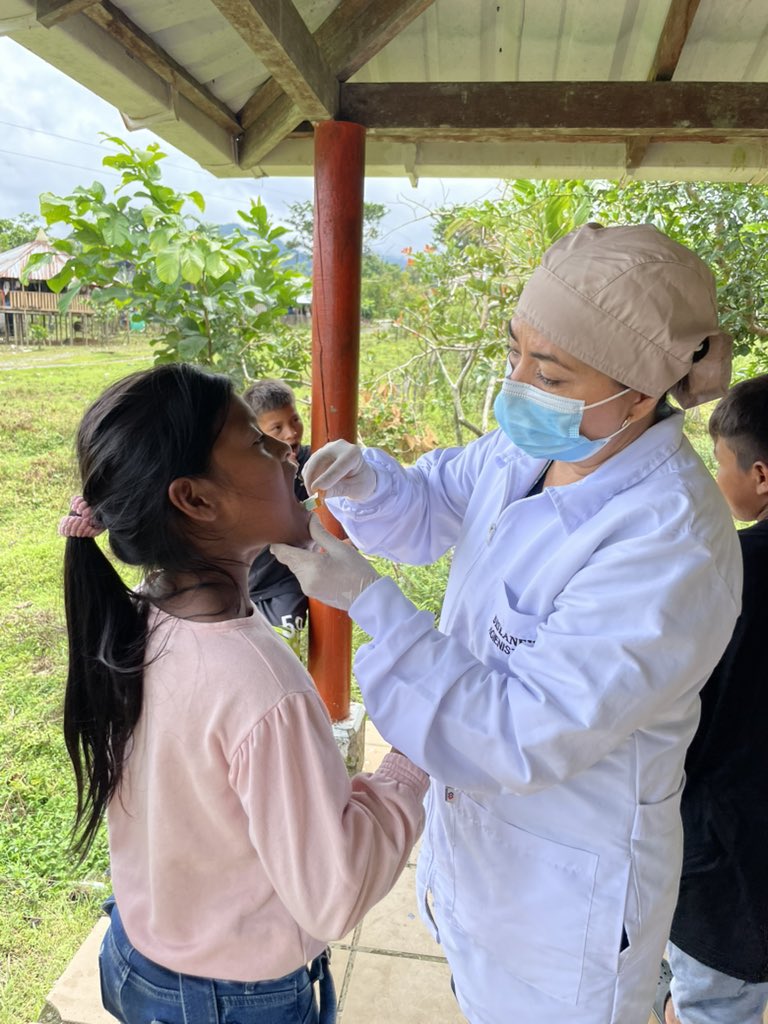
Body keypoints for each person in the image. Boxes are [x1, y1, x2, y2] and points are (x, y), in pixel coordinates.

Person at [271, 223, 743, 1024]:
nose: (515, 381)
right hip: (480, 862)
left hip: (567, 902)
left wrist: (372, 603)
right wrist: (364, 481)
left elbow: (522, 733)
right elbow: (432, 503)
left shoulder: (673, 541)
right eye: (517, 350)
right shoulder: (523, 452)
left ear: (636, 391)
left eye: (548, 370)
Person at [58, 362, 428, 1024]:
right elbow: (332, 894)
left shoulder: (139, 612)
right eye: (258, 442)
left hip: (140, 957)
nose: (289, 448)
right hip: (234, 997)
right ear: (196, 500)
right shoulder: (259, 688)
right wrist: (409, 766)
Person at [660, 374, 768, 1024]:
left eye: (720, 461)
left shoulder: (736, 571)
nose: (714, 474)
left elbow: (685, 708)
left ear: (761, 475)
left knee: (712, 1004)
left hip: (727, 846)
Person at [244, 379, 311, 637]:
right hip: (244, 580)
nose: (291, 433)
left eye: (294, 420)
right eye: (277, 427)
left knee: (288, 641)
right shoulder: (246, 470)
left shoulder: (312, 462)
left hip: (283, 582)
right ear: (255, 434)